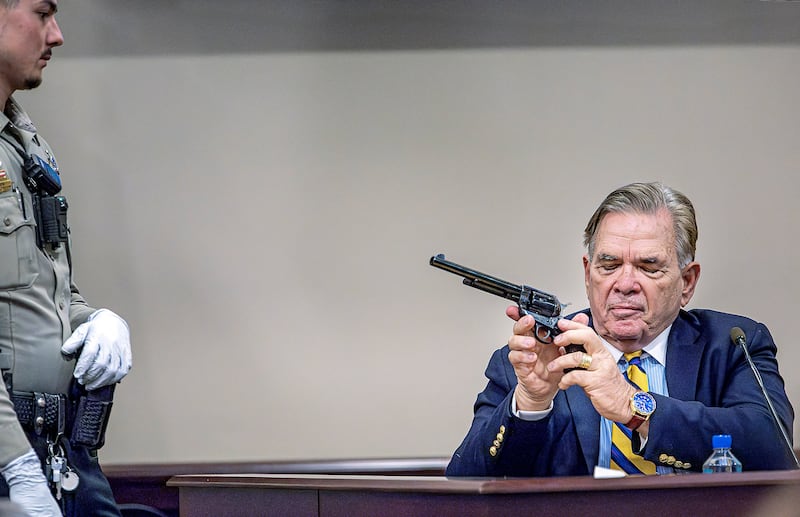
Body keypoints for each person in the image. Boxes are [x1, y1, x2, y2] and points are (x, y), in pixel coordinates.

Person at [445, 182, 796, 477]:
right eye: (609, 265)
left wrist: (634, 406)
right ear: (587, 274)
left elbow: (774, 452)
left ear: (687, 282)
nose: (625, 283)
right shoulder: (531, 361)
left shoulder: (733, 345)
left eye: (648, 267)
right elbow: (465, 485)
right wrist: (533, 402)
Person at [0, 1, 132, 515]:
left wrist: (94, 319)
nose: (56, 35)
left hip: (62, 451)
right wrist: (17, 468)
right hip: (14, 461)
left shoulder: (23, 144)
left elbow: (41, 288)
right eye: (42, 13)